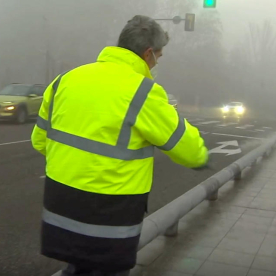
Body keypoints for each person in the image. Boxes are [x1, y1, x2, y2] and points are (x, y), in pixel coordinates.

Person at [31, 15, 208, 276]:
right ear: (148, 54)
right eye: (159, 55)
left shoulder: (65, 80)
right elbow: (189, 150)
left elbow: (39, 141)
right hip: (109, 218)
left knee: (76, 267)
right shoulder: (143, 92)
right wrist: (204, 157)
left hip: (59, 212)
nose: (157, 62)